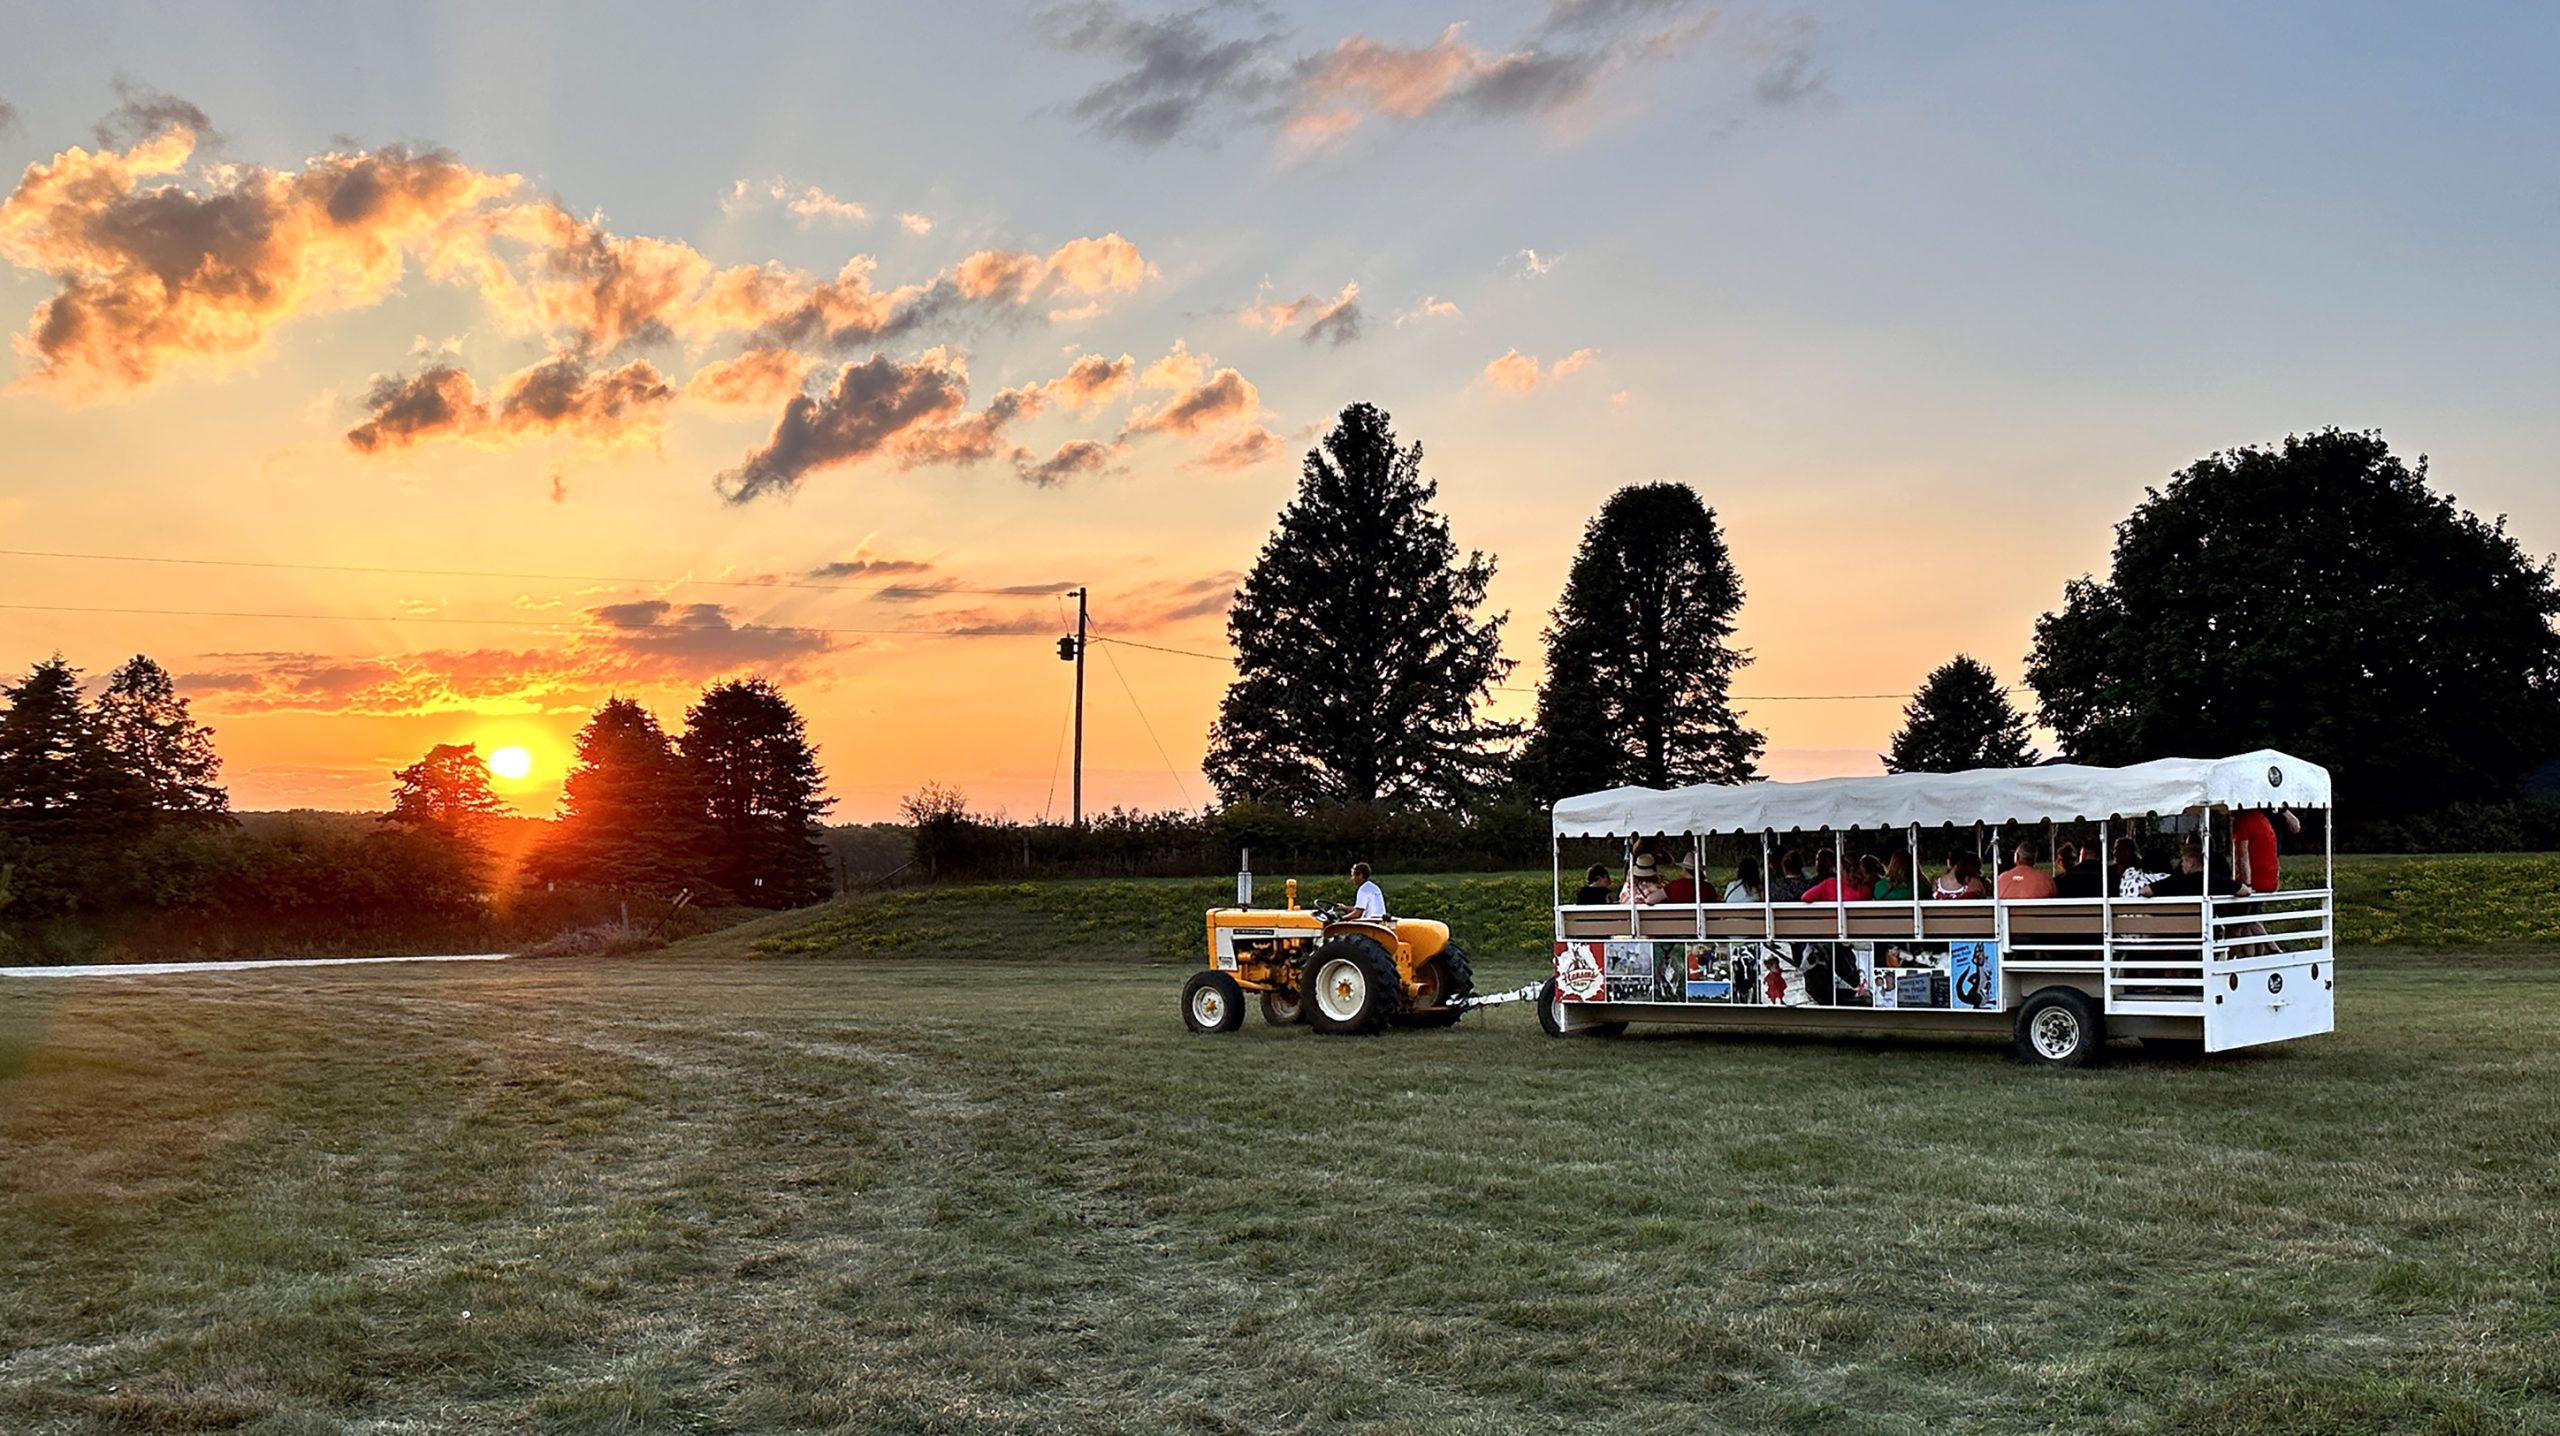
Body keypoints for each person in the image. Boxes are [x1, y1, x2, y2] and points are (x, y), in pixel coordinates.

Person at [2231, 808, 2299, 896]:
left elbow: (2244, 857)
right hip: (2271, 880)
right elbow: (2296, 826)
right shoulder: (2263, 819)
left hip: (2256, 882)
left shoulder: (2243, 821)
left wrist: (2247, 884)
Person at [1803, 854, 1879, 904]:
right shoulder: (1865, 889)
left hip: (1829, 925)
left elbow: (1806, 897)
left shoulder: (1829, 884)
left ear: (1840, 868)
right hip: (1859, 927)